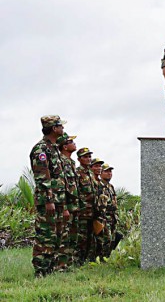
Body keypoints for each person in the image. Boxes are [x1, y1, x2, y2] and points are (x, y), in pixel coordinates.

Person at [29, 115, 70, 276]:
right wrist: (48, 201)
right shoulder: (41, 150)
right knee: (45, 236)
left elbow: (60, 180)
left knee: (56, 237)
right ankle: (41, 271)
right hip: (49, 202)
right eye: (61, 126)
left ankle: (50, 269)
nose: (63, 129)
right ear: (54, 128)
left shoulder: (54, 149)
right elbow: (43, 178)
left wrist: (63, 204)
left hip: (58, 201)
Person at [57, 132, 80, 265]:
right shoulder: (61, 162)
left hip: (74, 206)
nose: (74, 143)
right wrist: (64, 207)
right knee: (64, 235)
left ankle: (68, 263)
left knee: (72, 236)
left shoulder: (70, 162)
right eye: (71, 142)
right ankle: (60, 264)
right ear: (64, 147)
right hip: (66, 206)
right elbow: (62, 187)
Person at [76, 147, 97, 263]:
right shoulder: (77, 173)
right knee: (81, 238)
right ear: (79, 159)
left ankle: (89, 260)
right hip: (82, 212)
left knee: (91, 237)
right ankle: (79, 261)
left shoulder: (91, 173)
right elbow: (75, 193)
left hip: (93, 211)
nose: (88, 159)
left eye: (89, 156)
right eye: (85, 156)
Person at [90, 158, 110, 259]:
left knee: (104, 239)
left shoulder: (99, 182)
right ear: (91, 167)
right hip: (90, 214)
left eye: (100, 166)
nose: (99, 168)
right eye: (96, 166)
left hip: (100, 215)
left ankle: (101, 259)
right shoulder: (90, 180)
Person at [100, 163, 121, 255]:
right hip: (104, 217)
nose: (109, 173)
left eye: (110, 171)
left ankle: (106, 258)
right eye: (106, 171)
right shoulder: (99, 186)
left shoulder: (110, 187)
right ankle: (100, 259)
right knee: (105, 240)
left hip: (112, 218)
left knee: (113, 239)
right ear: (101, 173)